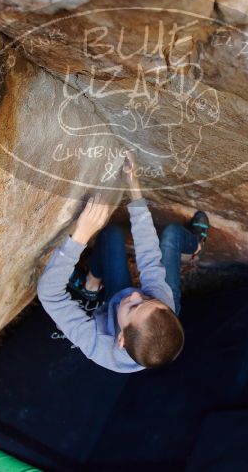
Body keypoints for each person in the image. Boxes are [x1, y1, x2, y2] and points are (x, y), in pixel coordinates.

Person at [36, 153, 209, 373]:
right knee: (172, 234)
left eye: (135, 305)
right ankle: (196, 245)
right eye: (147, 298)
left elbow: (49, 294)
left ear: (121, 339)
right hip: (140, 307)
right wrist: (134, 189)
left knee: (111, 236)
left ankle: (94, 286)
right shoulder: (160, 304)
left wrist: (80, 236)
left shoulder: (99, 344)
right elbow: (148, 255)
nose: (136, 293)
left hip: (112, 308)